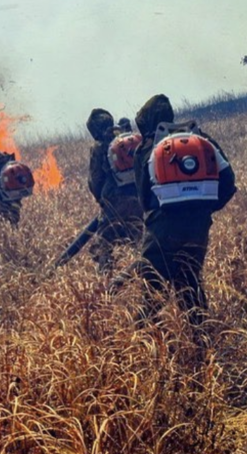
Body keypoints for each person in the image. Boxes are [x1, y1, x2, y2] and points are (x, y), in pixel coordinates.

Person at [127, 94, 236, 349]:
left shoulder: (147, 148)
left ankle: (142, 355)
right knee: (190, 285)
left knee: (152, 294)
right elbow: (229, 184)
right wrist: (204, 209)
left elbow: (143, 198)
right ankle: (204, 348)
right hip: (198, 230)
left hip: (160, 230)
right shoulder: (201, 139)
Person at [86, 108, 143, 273]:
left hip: (113, 203)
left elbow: (95, 181)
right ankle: (143, 278)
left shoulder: (99, 146)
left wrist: (103, 201)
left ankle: (108, 285)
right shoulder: (127, 139)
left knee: (104, 245)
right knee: (140, 242)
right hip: (139, 200)